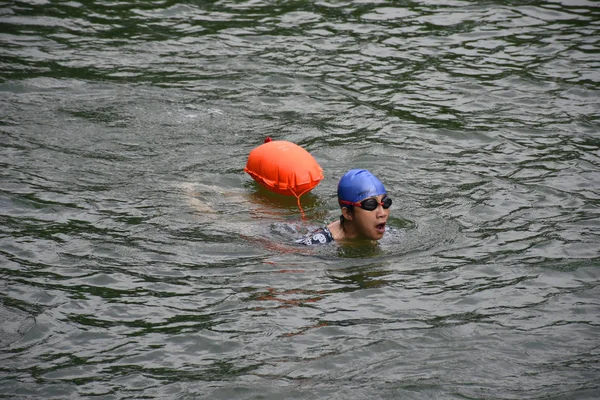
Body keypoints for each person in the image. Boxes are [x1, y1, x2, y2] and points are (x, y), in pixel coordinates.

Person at [296, 169, 392, 245]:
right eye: (370, 205)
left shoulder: (389, 234)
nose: (382, 213)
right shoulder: (317, 243)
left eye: (385, 203)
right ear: (348, 213)